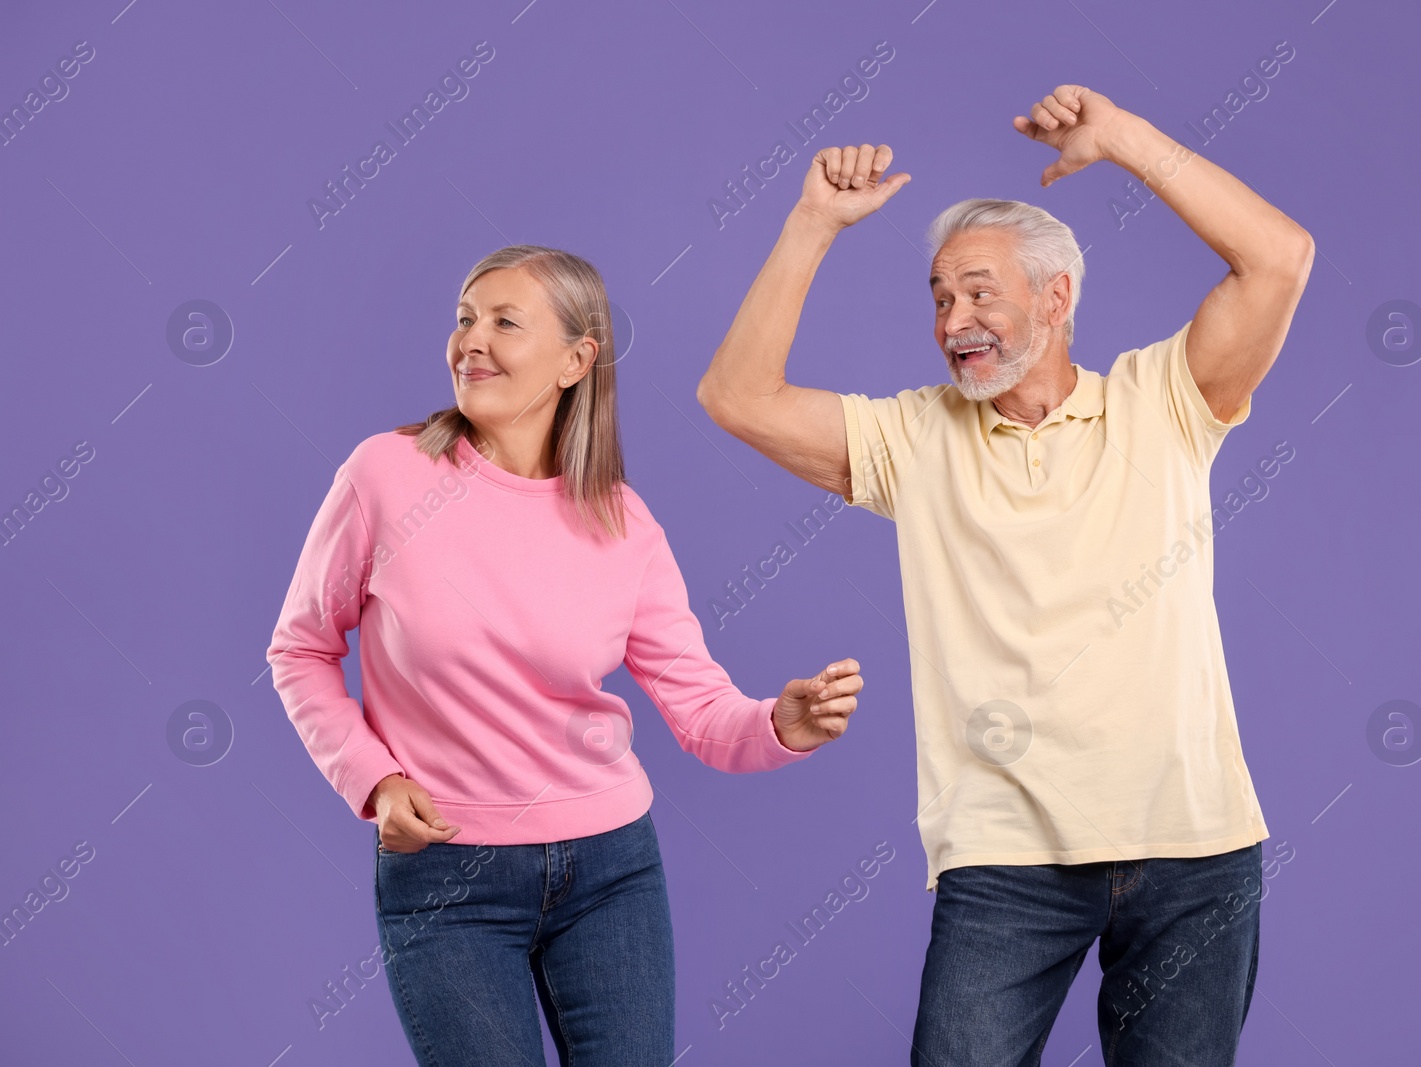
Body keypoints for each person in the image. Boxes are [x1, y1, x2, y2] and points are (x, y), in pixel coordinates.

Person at [696, 83, 1313, 1066]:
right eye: (940, 297)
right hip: (1004, 860)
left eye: (980, 291)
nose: (954, 318)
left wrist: (1123, 140)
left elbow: (1279, 256)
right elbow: (736, 394)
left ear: (1055, 296)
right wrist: (814, 221)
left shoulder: (1166, 401)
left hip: (1192, 847)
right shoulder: (913, 435)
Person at [265, 244, 864, 1066]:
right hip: (449, 877)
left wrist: (779, 723)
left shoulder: (622, 519)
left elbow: (699, 711)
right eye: (464, 318)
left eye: (505, 322)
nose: (471, 340)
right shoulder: (386, 475)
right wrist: (373, 776)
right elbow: (299, 648)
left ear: (577, 360)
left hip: (610, 872)